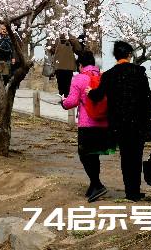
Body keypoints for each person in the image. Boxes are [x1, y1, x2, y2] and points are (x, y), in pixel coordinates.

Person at [87, 41, 151, 201]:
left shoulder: (109, 75)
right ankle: (135, 191)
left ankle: (129, 191)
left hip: (119, 124)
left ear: (115, 55)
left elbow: (98, 96)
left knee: (126, 157)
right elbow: (147, 96)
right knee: (136, 156)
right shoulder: (139, 72)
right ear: (129, 54)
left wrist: (89, 92)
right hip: (138, 122)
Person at [60, 51, 115, 202]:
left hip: (87, 124)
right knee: (94, 154)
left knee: (84, 154)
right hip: (104, 123)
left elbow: (71, 102)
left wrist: (62, 102)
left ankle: (97, 185)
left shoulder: (79, 78)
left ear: (81, 65)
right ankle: (93, 185)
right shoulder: (103, 77)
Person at [0, 24, 15, 90]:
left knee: (6, 75)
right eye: (2, 29)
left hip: (7, 58)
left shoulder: (9, 37)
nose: (4, 30)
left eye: (5, 29)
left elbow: (12, 48)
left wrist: (13, 57)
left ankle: (3, 87)